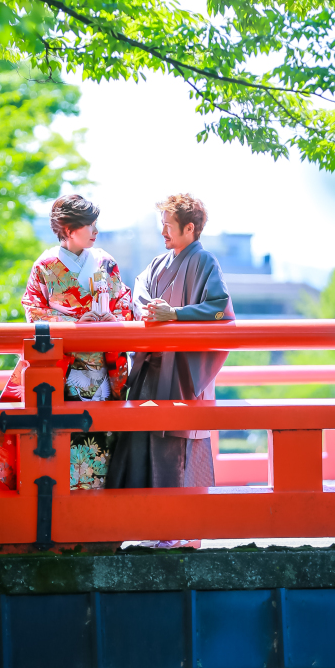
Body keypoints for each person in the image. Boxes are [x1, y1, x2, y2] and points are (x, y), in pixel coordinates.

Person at [0, 194, 132, 493]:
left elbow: (124, 304)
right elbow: (34, 311)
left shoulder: (106, 262)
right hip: (59, 368)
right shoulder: (45, 265)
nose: (96, 230)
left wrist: (110, 318)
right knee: (53, 440)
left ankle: (94, 511)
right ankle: (53, 506)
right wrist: (76, 324)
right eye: (89, 225)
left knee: (100, 440)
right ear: (68, 229)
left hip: (101, 368)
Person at [107, 193, 234, 496]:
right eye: (161, 224)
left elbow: (220, 308)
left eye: (168, 225)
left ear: (189, 228)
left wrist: (175, 314)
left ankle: (178, 523)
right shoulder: (157, 263)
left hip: (181, 374)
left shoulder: (204, 261)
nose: (162, 231)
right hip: (149, 372)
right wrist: (148, 310)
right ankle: (140, 519)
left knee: (176, 455)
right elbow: (139, 293)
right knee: (136, 445)